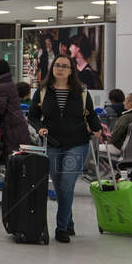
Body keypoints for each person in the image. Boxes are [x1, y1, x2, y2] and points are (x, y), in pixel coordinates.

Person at [36, 54, 102, 243]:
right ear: (52, 68)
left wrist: (97, 128)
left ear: (71, 70)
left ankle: (61, 228)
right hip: (52, 144)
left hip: (77, 143)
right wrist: (39, 128)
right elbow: (33, 115)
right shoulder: (42, 91)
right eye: (57, 65)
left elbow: (90, 114)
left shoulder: (81, 92)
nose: (60, 69)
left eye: (65, 66)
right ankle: (69, 222)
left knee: (66, 184)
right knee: (59, 187)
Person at [0, 57, 32, 173]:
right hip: (17, 130)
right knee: (17, 166)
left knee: (13, 166)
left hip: (12, 132)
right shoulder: (7, 83)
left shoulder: (1, 87)